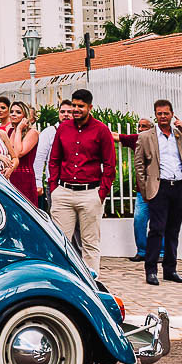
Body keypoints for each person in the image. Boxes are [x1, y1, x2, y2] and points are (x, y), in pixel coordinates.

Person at [135, 100, 182, 286]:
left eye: (166, 113)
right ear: (155, 115)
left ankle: (170, 270)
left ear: (172, 114)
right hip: (159, 187)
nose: (163, 117)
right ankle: (151, 270)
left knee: (173, 230)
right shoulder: (146, 137)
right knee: (156, 229)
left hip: (179, 186)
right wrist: (145, 190)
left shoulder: (181, 135)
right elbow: (139, 165)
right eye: (159, 113)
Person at [48, 88, 116, 277]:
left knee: (90, 243)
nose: (76, 109)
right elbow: (54, 160)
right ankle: (61, 280)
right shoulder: (63, 129)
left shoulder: (101, 130)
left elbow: (110, 165)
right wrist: (54, 188)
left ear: (89, 107)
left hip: (90, 193)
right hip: (64, 192)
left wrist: (101, 194)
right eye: (74, 105)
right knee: (59, 242)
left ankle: (90, 284)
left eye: (81, 106)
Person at [113, 117, 160, 261]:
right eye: (139, 126)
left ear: (151, 128)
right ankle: (142, 251)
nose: (140, 129)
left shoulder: (160, 141)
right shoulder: (137, 139)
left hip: (159, 188)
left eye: (144, 126)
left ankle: (161, 253)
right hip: (142, 190)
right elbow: (115, 136)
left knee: (160, 221)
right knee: (139, 220)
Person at [32, 99, 73, 210]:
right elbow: (39, 158)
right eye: (62, 112)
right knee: (57, 218)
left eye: (69, 112)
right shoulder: (49, 132)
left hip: (76, 186)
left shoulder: (80, 132)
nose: (66, 115)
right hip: (55, 185)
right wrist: (38, 182)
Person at [7, 100, 40, 206]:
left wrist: (19, 129)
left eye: (18, 112)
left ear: (25, 116)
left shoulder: (32, 133)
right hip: (11, 175)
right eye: (11, 111)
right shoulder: (10, 131)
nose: (13, 114)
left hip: (24, 177)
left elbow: (18, 153)